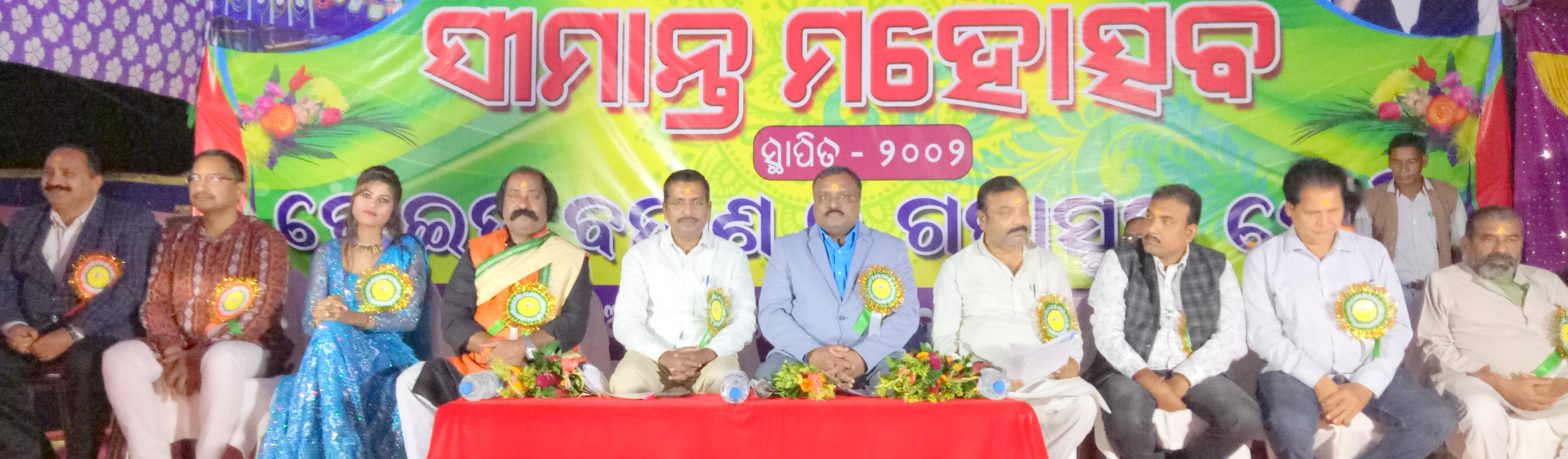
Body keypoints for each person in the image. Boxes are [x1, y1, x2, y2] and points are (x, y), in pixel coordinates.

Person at [1245, 158, 1455, 458]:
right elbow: (1262, 334)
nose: (1325, 222)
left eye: (1333, 210)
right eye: (1313, 213)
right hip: (1292, 373)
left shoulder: (1370, 253)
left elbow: (1397, 328)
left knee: (1436, 418)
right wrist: (1319, 381)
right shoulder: (1264, 259)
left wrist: (1364, 387)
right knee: (1289, 425)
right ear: (1290, 209)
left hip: (1364, 365)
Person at [102, 149, 292, 459]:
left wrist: (198, 356)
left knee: (220, 359)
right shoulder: (176, 237)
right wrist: (174, 350)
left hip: (248, 347)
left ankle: (210, 454)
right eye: (195, 178)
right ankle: (150, 453)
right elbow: (156, 302)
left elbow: (261, 311)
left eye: (214, 178)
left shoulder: (264, 238)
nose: (201, 185)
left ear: (239, 189)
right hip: (179, 346)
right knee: (119, 357)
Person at [394, 166, 590, 459]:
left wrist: (524, 348)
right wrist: (494, 350)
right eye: (514, 196)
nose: (523, 203)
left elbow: (574, 321)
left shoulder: (570, 257)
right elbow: (454, 316)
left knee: (593, 383)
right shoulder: (478, 252)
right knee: (410, 382)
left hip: (547, 367)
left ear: (547, 205)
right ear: (502, 205)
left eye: (533, 195)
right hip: (483, 363)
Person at [0, 146, 159, 458]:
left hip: (98, 334)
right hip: (33, 333)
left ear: (96, 181)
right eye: (48, 173)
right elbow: (5, 282)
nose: (55, 180)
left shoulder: (131, 220)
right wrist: (13, 325)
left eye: (68, 173)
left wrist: (71, 333)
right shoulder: (25, 221)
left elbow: (130, 290)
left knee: (84, 362)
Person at [260, 166, 428, 458]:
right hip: (333, 347)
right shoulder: (328, 253)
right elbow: (309, 322)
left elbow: (408, 318)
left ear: (393, 210)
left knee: (331, 333)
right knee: (328, 332)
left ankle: (339, 446)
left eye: (383, 200)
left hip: (385, 351)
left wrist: (350, 317)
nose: (372, 204)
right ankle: (342, 444)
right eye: (366, 195)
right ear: (354, 199)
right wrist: (324, 312)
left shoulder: (406, 250)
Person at [932, 176, 1101, 459]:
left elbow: (1070, 329)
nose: (1020, 220)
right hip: (986, 382)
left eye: (1023, 209)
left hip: (1044, 379)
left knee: (1084, 404)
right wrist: (978, 371)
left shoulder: (1049, 264)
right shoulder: (956, 268)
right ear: (982, 219)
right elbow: (943, 339)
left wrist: (1072, 359)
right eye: (1006, 212)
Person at [1087, 184, 1261, 458]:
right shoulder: (1120, 261)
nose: (1151, 228)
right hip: (1130, 370)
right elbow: (1107, 334)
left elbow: (1232, 337)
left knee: (1244, 417)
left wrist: (1182, 379)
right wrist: (1154, 384)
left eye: (1166, 221)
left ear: (1189, 232)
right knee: (1129, 420)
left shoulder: (1216, 265)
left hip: (1192, 367)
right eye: (1150, 216)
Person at [1417, 206, 1568, 458]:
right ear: (1466, 244)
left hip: (1553, 385)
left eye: (1511, 239)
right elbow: (1433, 347)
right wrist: (1501, 384)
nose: (1501, 249)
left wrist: (1561, 385)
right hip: (1482, 384)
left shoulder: (1547, 281)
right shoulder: (1444, 282)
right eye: (1489, 239)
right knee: (1480, 411)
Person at [755, 166, 917, 391]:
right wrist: (812, 353)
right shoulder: (787, 247)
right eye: (823, 197)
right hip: (801, 356)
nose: (833, 204)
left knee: (900, 385)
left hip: (875, 357)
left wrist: (862, 357)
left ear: (859, 201)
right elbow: (771, 312)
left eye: (844, 196)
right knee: (768, 380)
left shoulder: (891, 248)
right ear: (814, 203)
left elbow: (907, 313)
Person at [609, 170, 755, 396]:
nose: (688, 211)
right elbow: (626, 321)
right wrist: (664, 356)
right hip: (653, 358)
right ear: (665, 209)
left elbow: (744, 320)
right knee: (625, 384)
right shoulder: (640, 255)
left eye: (697, 203)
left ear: (708, 208)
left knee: (726, 384)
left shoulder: (732, 255)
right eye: (678, 203)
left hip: (712, 357)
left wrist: (707, 353)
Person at [1355, 133, 1467, 315]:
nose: (1403, 169)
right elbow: (1363, 251)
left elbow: (1461, 246)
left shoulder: (1447, 194)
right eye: (1396, 162)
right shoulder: (1371, 199)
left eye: (1411, 162)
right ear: (1389, 162)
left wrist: (1457, 288)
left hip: (1438, 291)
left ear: (1424, 161)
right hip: (1391, 292)